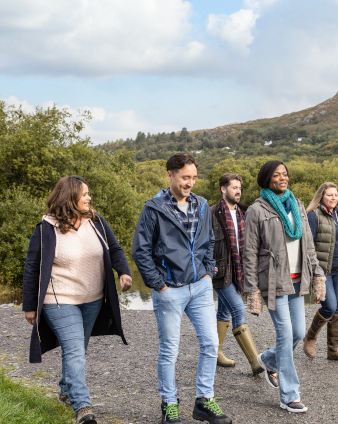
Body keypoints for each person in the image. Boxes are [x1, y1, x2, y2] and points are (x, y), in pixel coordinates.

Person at [22, 175, 132, 424]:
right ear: (69, 197)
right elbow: (32, 267)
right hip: (58, 299)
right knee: (74, 351)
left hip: (92, 298)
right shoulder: (46, 229)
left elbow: (114, 249)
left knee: (78, 350)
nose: (89, 197)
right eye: (84, 194)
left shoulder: (97, 223)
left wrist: (123, 271)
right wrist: (29, 305)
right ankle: (83, 408)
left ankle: (65, 389)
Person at [132, 153, 231, 424]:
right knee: (169, 350)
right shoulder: (153, 208)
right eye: (185, 177)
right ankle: (169, 403)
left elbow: (209, 240)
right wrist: (159, 284)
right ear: (170, 175)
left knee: (211, 343)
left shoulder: (201, 204)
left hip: (200, 287)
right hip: (169, 290)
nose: (190, 183)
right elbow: (140, 252)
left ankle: (204, 401)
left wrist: (208, 272)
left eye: (194, 178)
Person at [243, 160, 326, 414]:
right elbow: (250, 253)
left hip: (297, 280)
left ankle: (268, 360)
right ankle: (289, 395)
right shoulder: (256, 210)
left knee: (299, 333)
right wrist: (253, 289)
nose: (283, 178)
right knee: (285, 333)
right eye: (277, 175)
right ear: (267, 179)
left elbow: (308, 244)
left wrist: (318, 274)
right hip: (273, 282)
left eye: (285, 174)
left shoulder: (297, 205)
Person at [210, 173, 262, 374]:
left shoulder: (245, 212)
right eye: (234, 187)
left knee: (224, 311)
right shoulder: (212, 213)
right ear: (223, 189)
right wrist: (208, 264)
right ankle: (256, 363)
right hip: (221, 272)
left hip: (240, 271)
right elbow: (203, 242)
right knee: (239, 310)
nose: (238, 191)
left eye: (239, 187)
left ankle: (215, 353)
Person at [303, 182, 338, 361]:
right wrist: (313, 272)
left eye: (336, 195)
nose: (333, 198)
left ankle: (333, 350)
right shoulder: (313, 215)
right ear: (321, 197)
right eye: (329, 195)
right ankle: (310, 337)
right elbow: (308, 244)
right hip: (322, 271)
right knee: (329, 306)